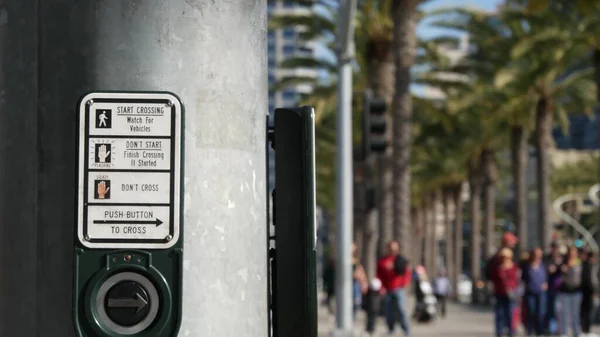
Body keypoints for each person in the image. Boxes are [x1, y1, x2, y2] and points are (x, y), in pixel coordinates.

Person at [377, 241, 412, 336]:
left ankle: (406, 330)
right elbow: (379, 275)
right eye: (391, 249)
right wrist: (381, 287)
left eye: (395, 249)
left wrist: (404, 283)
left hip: (398, 289)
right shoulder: (382, 261)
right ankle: (391, 329)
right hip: (387, 289)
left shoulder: (400, 260)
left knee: (401, 309)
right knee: (388, 311)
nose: (393, 251)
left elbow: (407, 273)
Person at [489, 248, 519, 337]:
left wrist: (512, 288)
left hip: (510, 293)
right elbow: (493, 278)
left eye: (506, 257)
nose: (504, 259)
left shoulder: (514, 267)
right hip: (499, 292)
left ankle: (511, 332)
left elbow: (516, 279)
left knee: (510, 314)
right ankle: (499, 332)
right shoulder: (497, 267)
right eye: (503, 257)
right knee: (499, 314)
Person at [557, 246, 583, 337]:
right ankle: (564, 332)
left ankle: (576, 332)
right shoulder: (563, 262)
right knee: (564, 313)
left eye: (574, 252)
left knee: (575, 313)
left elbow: (582, 276)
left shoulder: (579, 262)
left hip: (576, 291)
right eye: (571, 252)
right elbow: (558, 275)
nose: (572, 254)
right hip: (565, 291)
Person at [522, 247, 548, 336]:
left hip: (541, 292)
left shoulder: (543, 265)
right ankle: (529, 330)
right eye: (536, 255)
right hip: (530, 292)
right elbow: (523, 278)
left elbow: (546, 276)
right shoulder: (526, 265)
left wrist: (545, 283)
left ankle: (539, 331)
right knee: (530, 311)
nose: (538, 257)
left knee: (540, 312)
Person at [545, 241, 564, 335]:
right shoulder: (547, 258)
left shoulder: (561, 259)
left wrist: (558, 266)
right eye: (554, 248)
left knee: (559, 310)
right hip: (550, 288)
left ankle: (559, 329)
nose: (555, 250)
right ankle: (551, 329)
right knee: (550, 309)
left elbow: (564, 270)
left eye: (556, 248)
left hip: (560, 289)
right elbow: (546, 270)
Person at [580, 250, 599, 336]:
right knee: (587, 310)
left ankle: (586, 328)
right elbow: (589, 280)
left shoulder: (592, 266)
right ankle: (585, 329)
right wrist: (594, 290)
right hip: (587, 292)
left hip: (589, 291)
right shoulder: (587, 265)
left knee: (588, 310)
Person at [352, 242, 369, 317]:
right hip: (346, 284)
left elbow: (361, 272)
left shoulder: (356, 260)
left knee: (356, 303)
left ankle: (352, 319)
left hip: (355, 283)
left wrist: (364, 283)